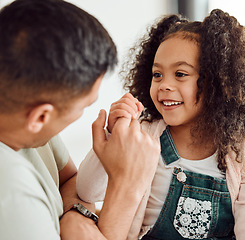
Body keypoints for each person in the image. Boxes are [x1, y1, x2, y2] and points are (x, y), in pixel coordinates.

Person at [76, 9, 245, 240]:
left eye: (180, 74)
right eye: (157, 74)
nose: (164, 84)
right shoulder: (141, 136)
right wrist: (113, 134)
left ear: (217, 84)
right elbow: (87, 190)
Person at [0, 0, 160, 240]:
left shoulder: (22, 120)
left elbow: (70, 180)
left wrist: (75, 214)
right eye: (84, 106)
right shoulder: (12, 194)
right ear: (41, 116)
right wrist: (127, 187)